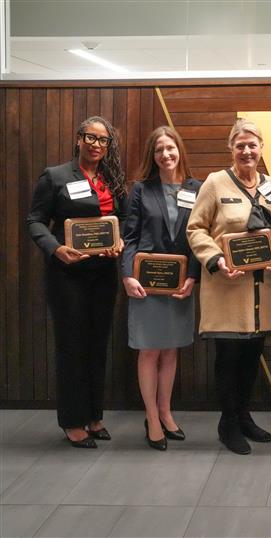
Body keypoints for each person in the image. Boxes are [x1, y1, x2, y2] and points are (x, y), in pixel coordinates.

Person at [27, 116, 126, 448]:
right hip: (67, 274)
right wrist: (56, 249)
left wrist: (120, 240)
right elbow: (35, 220)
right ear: (78, 139)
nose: (97, 145)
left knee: (98, 344)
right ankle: (72, 421)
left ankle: (94, 416)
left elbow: (124, 218)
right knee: (72, 346)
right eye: (90, 138)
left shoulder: (112, 178)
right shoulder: (55, 176)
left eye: (103, 140)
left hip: (104, 273)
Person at [186, 119, 271, 455]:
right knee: (229, 358)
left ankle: (244, 416)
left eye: (252, 145)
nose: (246, 151)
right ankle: (227, 424)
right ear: (231, 148)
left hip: (261, 290)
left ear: (261, 148)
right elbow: (195, 229)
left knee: (252, 356)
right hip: (226, 287)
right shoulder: (215, 183)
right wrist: (216, 259)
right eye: (240, 145)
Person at [122, 126, 200, 451]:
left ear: (179, 150)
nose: (166, 155)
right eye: (159, 150)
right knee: (149, 350)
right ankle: (151, 417)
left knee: (170, 349)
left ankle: (166, 412)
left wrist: (193, 276)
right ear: (152, 156)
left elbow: (199, 238)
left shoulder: (197, 188)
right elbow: (129, 236)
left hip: (180, 283)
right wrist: (127, 275)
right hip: (145, 283)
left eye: (170, 148)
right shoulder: (141, 189)